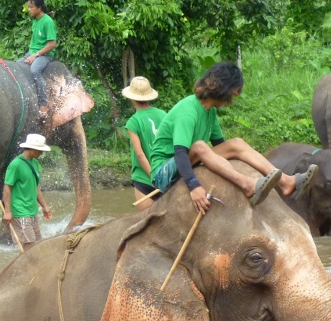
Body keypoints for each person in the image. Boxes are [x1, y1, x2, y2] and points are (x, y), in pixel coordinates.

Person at [149, 62, 316, 214]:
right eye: (234, 90)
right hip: (164, 172)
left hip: (190, 159)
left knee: (236, 143)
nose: (234, 96)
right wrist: (194, 186)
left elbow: (224, 147)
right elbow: (180, 153)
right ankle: (247, 185)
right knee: (200, 146)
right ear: (222, 86)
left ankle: (285, 181)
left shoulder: (210, 111)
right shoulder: (188, 111)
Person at [122, 76, 167, 210]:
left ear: (131, 98)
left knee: (147, 225)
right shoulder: (163, 115)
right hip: (165, 177)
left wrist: (154, 179)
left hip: (144, 179)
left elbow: (140, 154)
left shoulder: (133, 122)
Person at [2, 133, 52, 251]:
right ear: (32, 149)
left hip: (32, 211)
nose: (41, 153)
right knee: (28, 247)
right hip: (20, 212)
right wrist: (8, 211)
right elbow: (7, 188)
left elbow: (36, 187)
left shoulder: (34, 163)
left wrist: (45, 206)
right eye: (40, 150)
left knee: (38, 244)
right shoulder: (15, 165)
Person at [20, 0, 57, 120]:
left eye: (31, 7)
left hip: (44, 55)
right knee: (16, 67)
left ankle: (43, 103)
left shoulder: (47, 21)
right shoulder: (35, 20)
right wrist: (31, 55)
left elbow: (52, 44)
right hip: (32, 53)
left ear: (39, 7)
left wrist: (35, 55)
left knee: (35, 70)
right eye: (28, 7)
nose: (29, 9)